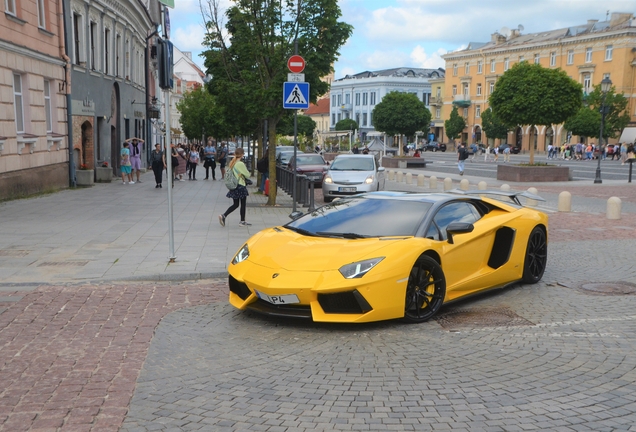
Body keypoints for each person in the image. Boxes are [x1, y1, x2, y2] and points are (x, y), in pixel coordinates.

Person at [219, 147, 251, 227]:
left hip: (234, 186)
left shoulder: (232, 162)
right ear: (242, 154)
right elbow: (247, 174)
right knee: (243, 204)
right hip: (240, 185)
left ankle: (224, 215)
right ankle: (242, 221)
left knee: (236, 204)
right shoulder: (240, 164)